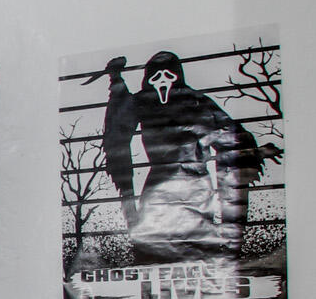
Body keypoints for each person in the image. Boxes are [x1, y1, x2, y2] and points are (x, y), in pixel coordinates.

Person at [89, 51, 266, 262]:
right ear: (149, 79)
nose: (163, 81)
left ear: (177, 76)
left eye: (168, 75)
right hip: (160, 187)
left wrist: (250, 154)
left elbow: (231, 136)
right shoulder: (145, 102)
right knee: (153, 248)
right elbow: (120, 120)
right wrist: (116, 81)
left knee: (194, 247)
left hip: (195, 187)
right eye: (156, 77)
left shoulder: (196, 102)